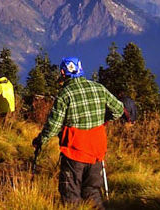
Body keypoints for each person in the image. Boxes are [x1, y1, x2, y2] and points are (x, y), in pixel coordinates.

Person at [32, 57, 124, 209]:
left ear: (63, 72)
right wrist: (103, 119)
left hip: (75, 151)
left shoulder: (65, 95)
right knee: (92, 191)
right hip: (97, 150)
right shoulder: (99, 88)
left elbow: (54, 126)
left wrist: (40, 140)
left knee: (70, 193)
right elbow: (119, 110)